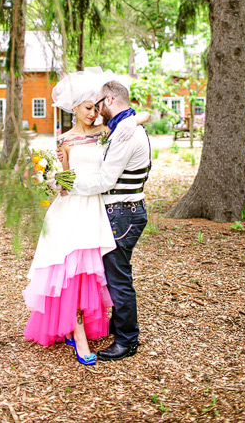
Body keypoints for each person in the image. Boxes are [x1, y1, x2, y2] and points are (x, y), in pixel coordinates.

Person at [22, 69, 148, 365]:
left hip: (98, 209)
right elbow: (61, 179)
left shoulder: (106, 132)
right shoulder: (63, 140)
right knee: (73, 272)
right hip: (73, 208)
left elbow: (140, 117)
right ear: (75, 109)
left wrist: (135, 119)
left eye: (96, 107)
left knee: (96, 273)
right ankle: (77, 333)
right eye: (88, 108)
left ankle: (94, 328)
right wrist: (51, 177)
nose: (93, 113)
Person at [64, 79, 151, 362]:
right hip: (122, 211)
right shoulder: (126, 126)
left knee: (118, 278)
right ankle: (118, 327)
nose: (98, 111)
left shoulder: (127, 132)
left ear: (110, 101)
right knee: (116, 274)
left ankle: (127, 340)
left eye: (99, 104)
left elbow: (105, 180)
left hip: (122, 213)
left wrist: (69, 186)